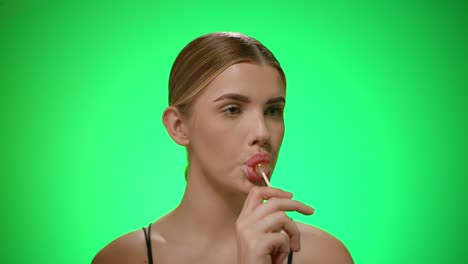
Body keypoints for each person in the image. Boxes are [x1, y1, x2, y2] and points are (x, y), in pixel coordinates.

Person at [92, 32, 353, 264]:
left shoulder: (324, 256)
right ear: (178, 126)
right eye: (232, 110)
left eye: (273, 110)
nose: (262, 132)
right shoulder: (121, 259)